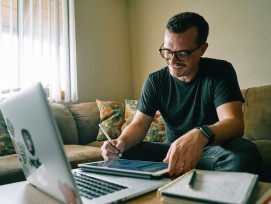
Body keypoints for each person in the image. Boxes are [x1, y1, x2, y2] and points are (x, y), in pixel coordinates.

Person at [101, 12, 262, 176]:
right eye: (168, 51)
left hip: (212, 152)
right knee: (124, 154)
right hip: (170, 154)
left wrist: (201, 134)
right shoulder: (155, 81)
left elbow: (234, 123)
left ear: (202, 49)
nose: (172, 60)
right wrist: (120, 143)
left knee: (244, 154)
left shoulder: (220, 71)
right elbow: (138, 125)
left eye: (182, 53)